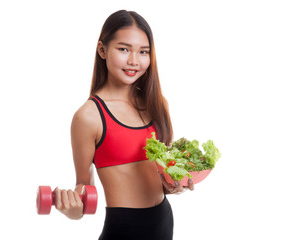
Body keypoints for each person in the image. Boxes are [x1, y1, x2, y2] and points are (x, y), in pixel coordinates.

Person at [53, 10, 194, 240]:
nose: (134, 61)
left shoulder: (158, 105)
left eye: (143, 52)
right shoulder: (88, 116)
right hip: (122, 231)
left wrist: (173, 184)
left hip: (164, 223)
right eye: (123, 49)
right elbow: (84, 190)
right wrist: (71, 209)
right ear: (102, 50)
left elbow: (162, 176)